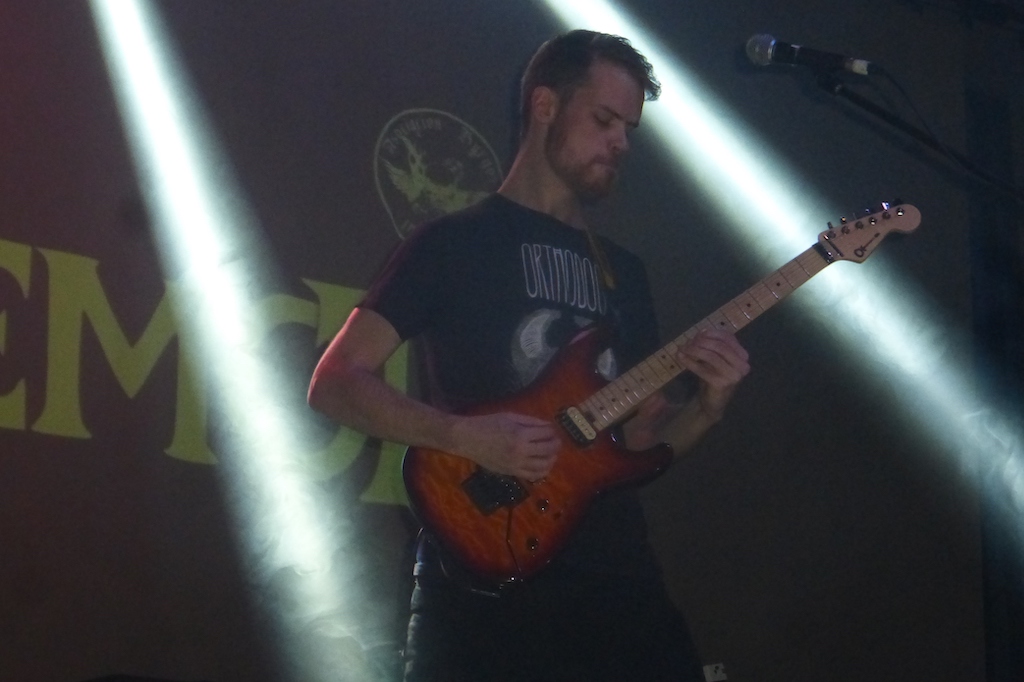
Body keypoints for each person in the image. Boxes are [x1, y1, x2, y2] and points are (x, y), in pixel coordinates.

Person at [308, 29, 751, 682]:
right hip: (479, 578)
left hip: (615, 582)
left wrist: (708, 407)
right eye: (604, 120)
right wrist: (463, 436)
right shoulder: (451, 244)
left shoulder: (624, 274)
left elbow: (637, 446)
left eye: (629, 129)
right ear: (545, 105)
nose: (621, 143)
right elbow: (336, 382)